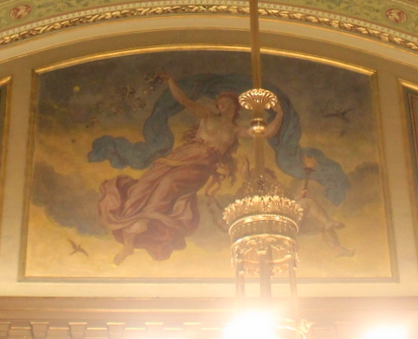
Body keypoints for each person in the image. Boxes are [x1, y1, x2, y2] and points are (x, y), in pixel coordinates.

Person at [97, 77, 282, 262]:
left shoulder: (236, 131)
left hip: (203, 164)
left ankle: (144, 220)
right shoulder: (208, 116)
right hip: (184, 155)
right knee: (145, 183)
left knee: (170, 183)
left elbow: (265, 132)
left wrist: (280, 113)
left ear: (235, 106)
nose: (222, 106)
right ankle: (128, 242)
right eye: (219, 104)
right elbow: (184, 100)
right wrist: (170, 82)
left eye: (225, 103)